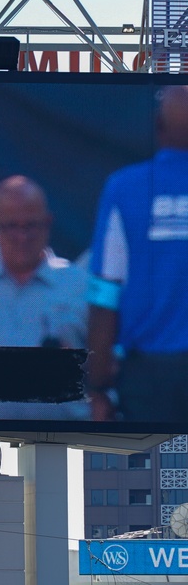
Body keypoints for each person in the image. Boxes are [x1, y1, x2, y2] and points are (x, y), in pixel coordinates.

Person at [86, 85, 188, 423]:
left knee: (154, 474)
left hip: (147, 382)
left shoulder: (124, 189)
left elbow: (105, 292)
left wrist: (98, 385)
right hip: (146, 376)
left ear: (158, 127)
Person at [0, 175, 88, 420]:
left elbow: (107, 369)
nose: (21, 237)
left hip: (67, 440)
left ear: (48, 223)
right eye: (11, 226)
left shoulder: (80, 285)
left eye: (30, 226)